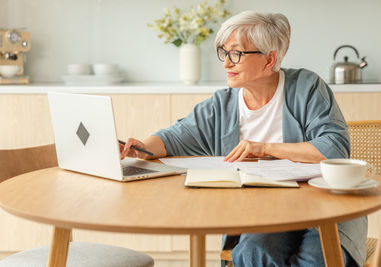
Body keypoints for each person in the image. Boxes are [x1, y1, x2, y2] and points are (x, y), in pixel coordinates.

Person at [120, 10, 366, 267]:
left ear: (269, 60)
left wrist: (264, 148)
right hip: (265, 213)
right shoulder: (222, 104)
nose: (226, 63)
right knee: (253, 254)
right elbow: (174, 137)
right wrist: (143, 147)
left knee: (319, 260)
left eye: (236, 53)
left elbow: (335, 149)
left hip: (325, 207)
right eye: (224, 53)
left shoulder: (307, 87)